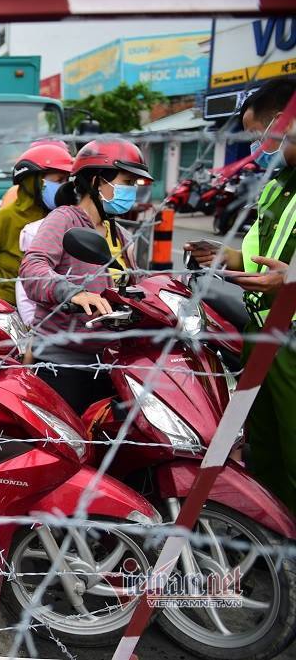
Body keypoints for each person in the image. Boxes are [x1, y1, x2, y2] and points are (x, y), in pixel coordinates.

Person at [184, 77, 296, 512]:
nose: (261, 148)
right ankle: (272, 534)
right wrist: (226, 257)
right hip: (262, 329)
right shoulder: (279, 184)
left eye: (263, 135)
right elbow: (261, 252)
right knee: (265, 444)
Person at [19, 138, 152, 414]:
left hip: (113, 360)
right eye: (126, 181)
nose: (131, 191)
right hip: (65, 361)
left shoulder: (120, 235)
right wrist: (73, 292)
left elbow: (138, 289)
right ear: (96, 180)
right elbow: (32, 268)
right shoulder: (64, 219)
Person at [0, 141, 74, 304]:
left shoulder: (64, 219)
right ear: (33, 181)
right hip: (1, 308)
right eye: (58, 180)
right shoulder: (5, 219)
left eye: (66, 180)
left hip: (45, 307)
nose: (63, 187)